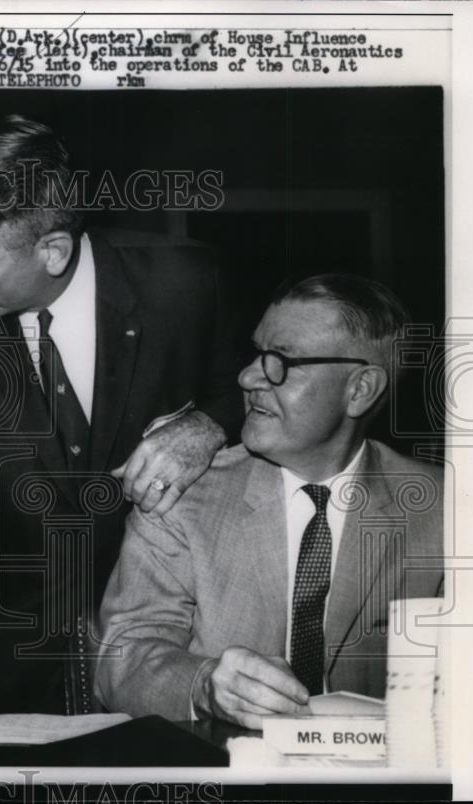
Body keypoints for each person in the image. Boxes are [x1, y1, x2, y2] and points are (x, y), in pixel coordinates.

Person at [0, 115, 243, 714]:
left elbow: (264, 389)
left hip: (169, 641)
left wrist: (209, 425)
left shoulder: (186, 283)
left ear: (53, 251)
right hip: (8, 656)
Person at [95, 274, 444, 729]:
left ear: (360, 389)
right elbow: (120, 658)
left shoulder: (446, 510)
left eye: (281, 360)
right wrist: (204, 685)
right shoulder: (183, 497)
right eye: (257, 354)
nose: (247, 377)